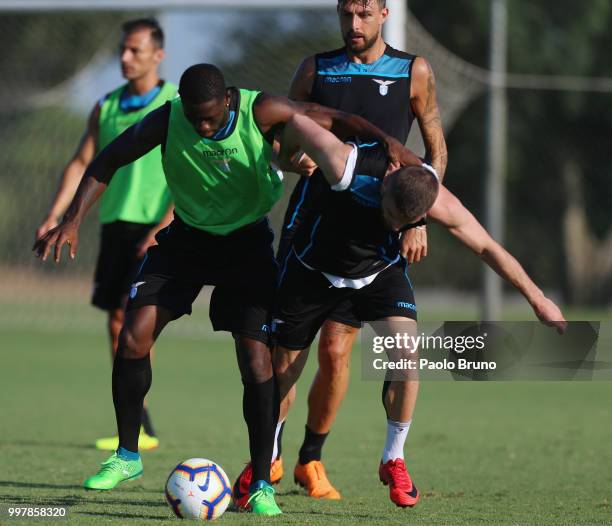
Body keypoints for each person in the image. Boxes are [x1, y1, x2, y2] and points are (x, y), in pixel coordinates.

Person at [33, 63, 419, 515]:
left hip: (246, 245)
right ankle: (127, 455)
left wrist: (389, 142)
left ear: (228, 102)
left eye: (211, 118)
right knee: (133, 336)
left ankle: (260, 483)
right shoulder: (168, 117)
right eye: (195, 117)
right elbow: (108, 159)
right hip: (186, 241)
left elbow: (330, 116)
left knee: (257, 362)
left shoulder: (262, 109)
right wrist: (73, 219)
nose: (202, 126)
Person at [269, 114, 566, 507]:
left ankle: (394, 457)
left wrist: (538, 299)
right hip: (313, 272)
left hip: (378, 274)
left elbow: (487, 247)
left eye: (402, 223)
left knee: (409, 359)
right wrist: (289, 158)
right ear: (389, 176)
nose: (391, 222)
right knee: (283, 372)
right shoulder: (344, 163)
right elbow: (293, 120)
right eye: (389, 212)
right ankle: (268, 453)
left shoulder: (437, 200)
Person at [233, 0, 448, 504]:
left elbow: (435, 150)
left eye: (365, 14)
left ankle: (314, 457)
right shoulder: (314, 69)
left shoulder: (413, 71)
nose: (354, 25)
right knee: (289, 357)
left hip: (375, 241)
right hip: (311, 234)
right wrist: (293, 159)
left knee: (339, 353)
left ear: (384, 13)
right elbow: (277, 140)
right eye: (346, 14)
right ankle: (270, 456)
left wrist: (417, 215)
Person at [35, 18, 176, 451]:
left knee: (133, 321)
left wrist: (164, 223)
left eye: (135, 50)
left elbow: (193, 169)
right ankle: (139, 422)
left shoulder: (175, 103)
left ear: (158, 54)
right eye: (123, 50)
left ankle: (141, 424)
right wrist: (56, 215)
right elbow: (81, 162)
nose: (125, 57)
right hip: (115, 227)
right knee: (116, 322)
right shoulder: (107, 105)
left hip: (158, 231)